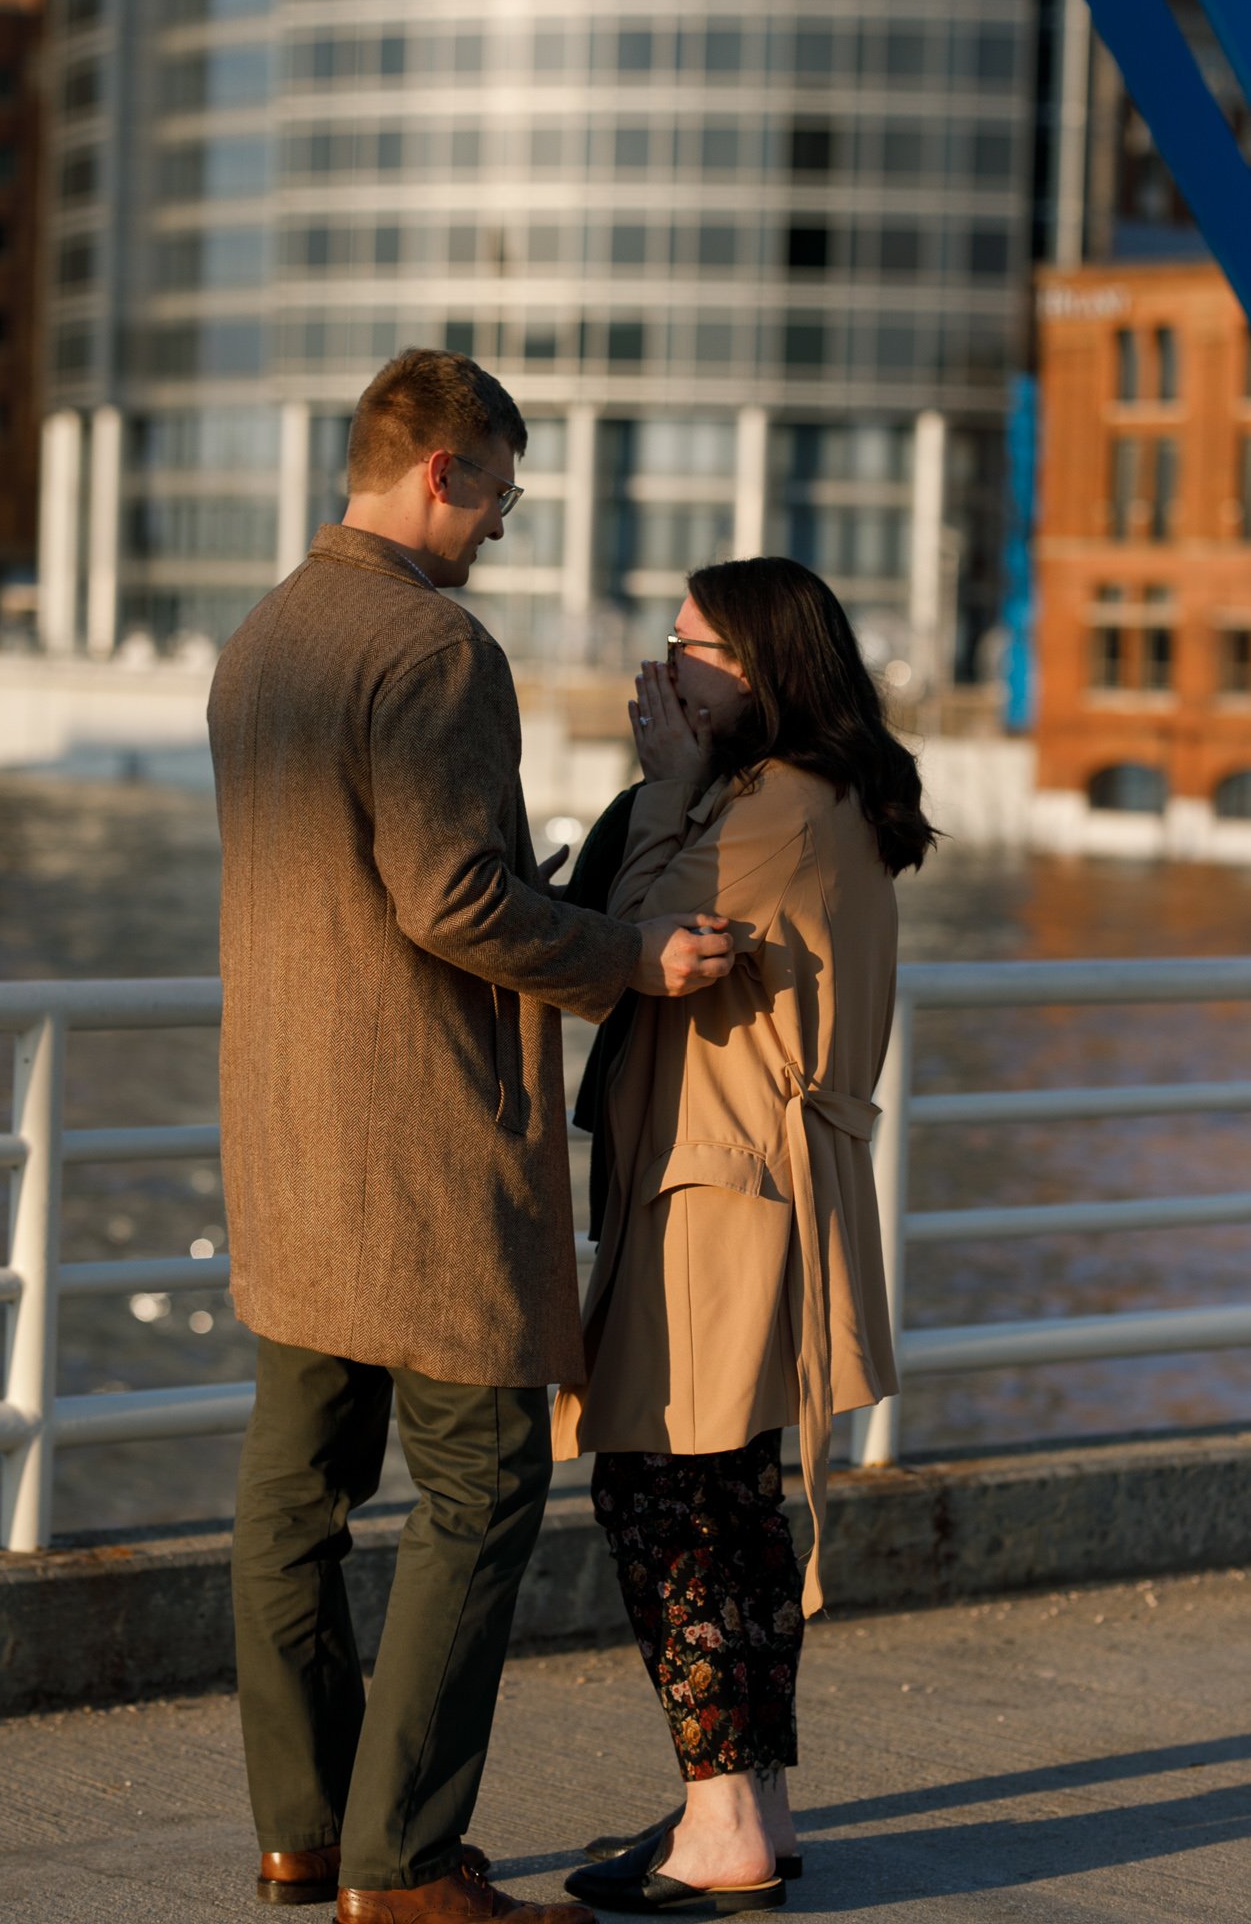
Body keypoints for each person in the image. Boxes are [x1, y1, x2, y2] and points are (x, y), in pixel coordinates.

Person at [206, 350, 735, 1924]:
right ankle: (408, 1862)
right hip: (423, 1144)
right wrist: (628, 957)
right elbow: (449, 900)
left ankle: (306, 1831)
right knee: (486, 1480)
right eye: (501, 492)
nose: (502, 524)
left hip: (290, 1134)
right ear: (443, 471)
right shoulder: (433, 648)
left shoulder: (263, 638)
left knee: (295, 1493)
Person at [555, 556, 935, 1915]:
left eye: (693, 649)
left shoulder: (768, 808)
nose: (668, 674)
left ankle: (722, 1823)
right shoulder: (831, 796)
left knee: (666, 1499)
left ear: (764, 666)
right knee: (730, 1502)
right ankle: (751, 1804)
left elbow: (620, 942)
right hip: (756, 1189)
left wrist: (660, 786)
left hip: (719, 1197)